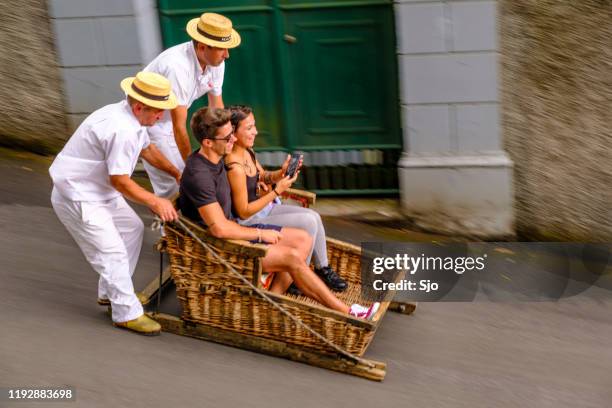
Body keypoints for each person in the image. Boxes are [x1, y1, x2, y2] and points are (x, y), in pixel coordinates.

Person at [179, 107, 379, 319]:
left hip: (233, 231)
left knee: (304, 239)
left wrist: (265, 182)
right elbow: (219, 228)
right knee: (293, 257)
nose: (233, 139)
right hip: (217, 247)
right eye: (228, 137)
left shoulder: (219, 154)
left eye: (232, 134)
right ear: (208, 142)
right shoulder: (199, 174)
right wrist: (260, 234)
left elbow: (251, 179)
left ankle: (271, 301)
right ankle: (349, 312)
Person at [49, 72, 181, 336]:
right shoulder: (121, 129)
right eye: (159, 112)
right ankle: (125, 313)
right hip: (79, 195)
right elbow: (120, 181)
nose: (161, 117)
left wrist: (177, 172)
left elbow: (148, 149)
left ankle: (111, 294)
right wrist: (155, 201)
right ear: (139, 106)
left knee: (132, 228)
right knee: (112, 252)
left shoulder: (131, 118)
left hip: (98, 189)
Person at [225, 105, 347, 294]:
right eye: (249, 128)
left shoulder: (247, 152)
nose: (255, 132)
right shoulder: (234, 166)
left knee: (313, 216)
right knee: (307, 221)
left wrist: (280, 174)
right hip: (250, 221)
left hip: (264, 208)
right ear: (233, 131)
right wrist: (276, 192)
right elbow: (243, 212)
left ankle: (322, 268)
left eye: (254, 126)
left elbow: (263, 175)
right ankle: (298, 279)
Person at [142, 12, 241, 198]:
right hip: (152, 126)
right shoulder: (176, 67)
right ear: (203, 47)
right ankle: (170, 225)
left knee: (202, 180)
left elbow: (217, 108)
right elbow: (178, 126)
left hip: (172, 122)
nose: (227, 55)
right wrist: (193, 167)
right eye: (222, 49)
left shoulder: (216, 61)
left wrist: (229, 145)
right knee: (177, 186)